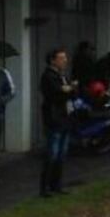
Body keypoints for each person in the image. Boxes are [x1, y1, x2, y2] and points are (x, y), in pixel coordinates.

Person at [39, 47, 76, 198]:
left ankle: (57, 185)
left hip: (65, 117)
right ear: (53, 60)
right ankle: (45, 187)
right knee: (52, 153)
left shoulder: (62, 76)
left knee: (61, 153)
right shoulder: (48, 76)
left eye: (65, 58)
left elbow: (71, 92)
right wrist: (67, 89)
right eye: (61, 58)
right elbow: (58, 93)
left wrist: (69, 89)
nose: (65, 61)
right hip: (54, 118)